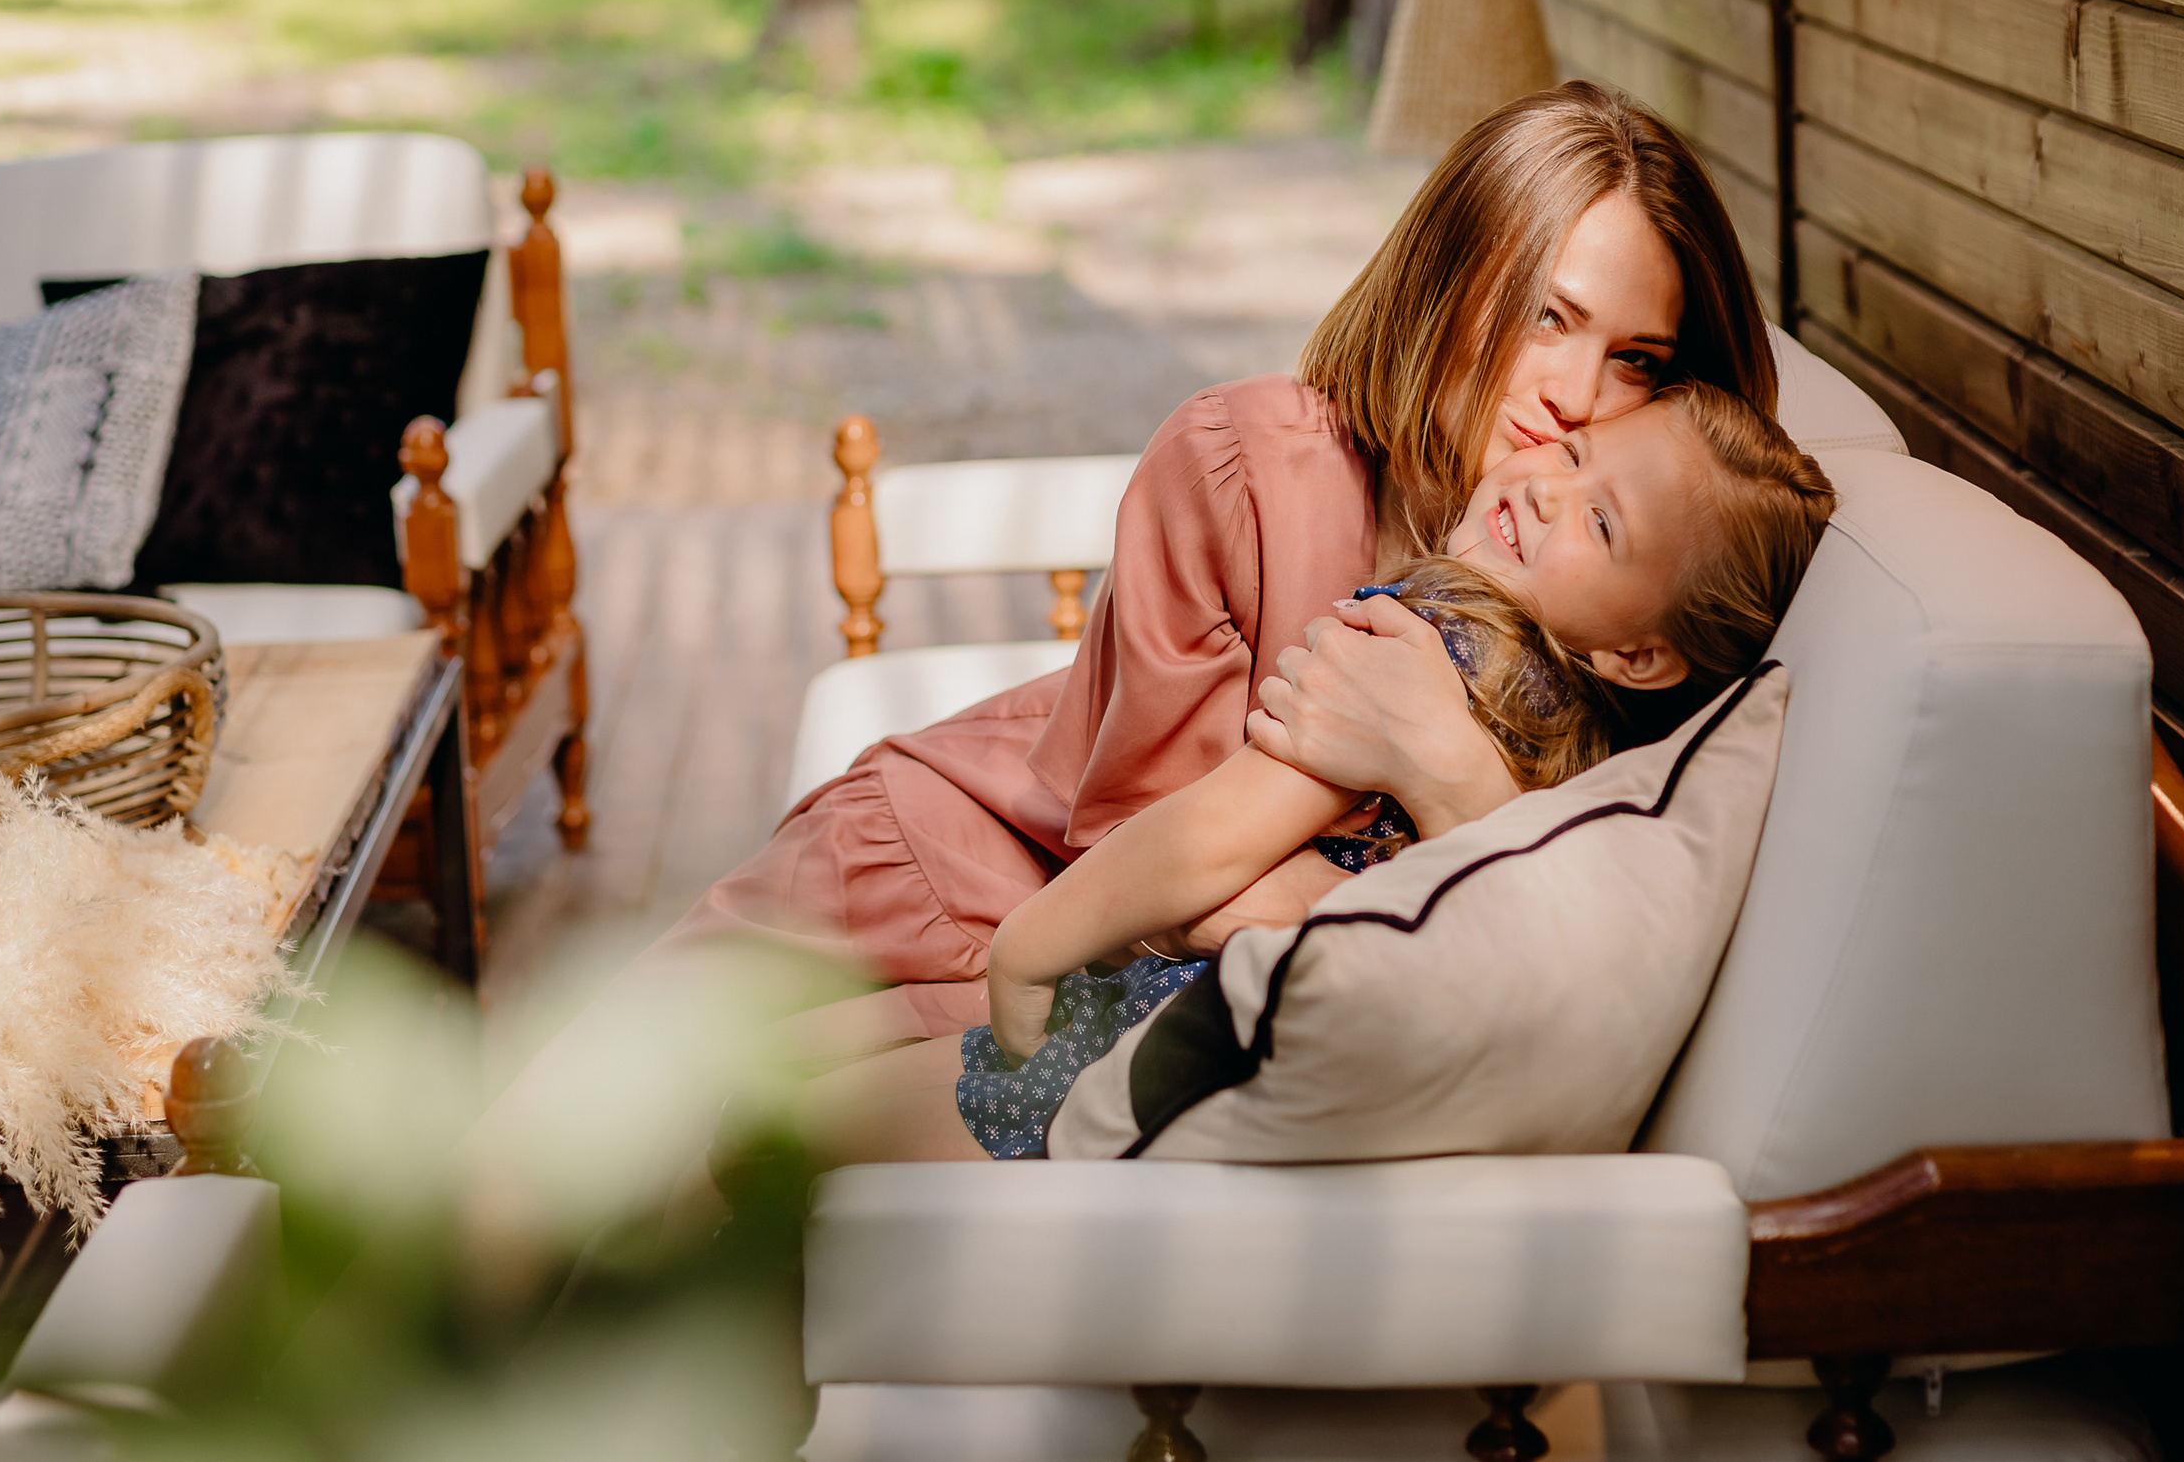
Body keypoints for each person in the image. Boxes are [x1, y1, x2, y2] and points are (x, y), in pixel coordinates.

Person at [662, 82, 1783, 1067]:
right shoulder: (1243, 466)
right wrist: (1415, 869)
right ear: (1452, 282)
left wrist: (1448, 775)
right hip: (951, 864)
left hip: (1100, 997)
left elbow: (1556, 936)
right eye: (1549, 318)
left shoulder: (1633, 596)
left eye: (1635, 359)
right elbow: (1164, 871)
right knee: (559, 1164)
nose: (1577, 395)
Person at [797, 386, 1836, 1164]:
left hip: (1131, 1039)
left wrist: (1031, 946)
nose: (1545, 490)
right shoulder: (1585, 742)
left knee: (770, 1141)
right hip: (1206, 1052)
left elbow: (1212, 830)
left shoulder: (1432, 645)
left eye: (1601, 523)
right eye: (1568, 453)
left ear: (1642, 656)